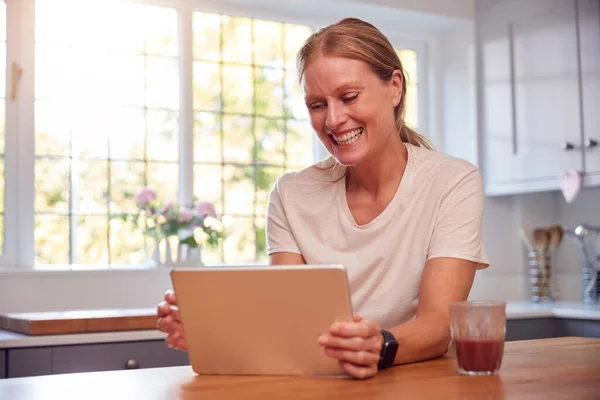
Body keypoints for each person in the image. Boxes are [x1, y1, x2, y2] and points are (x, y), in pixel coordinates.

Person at [157, 17, 488, 380]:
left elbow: (439, 324)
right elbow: (290, 326)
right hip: (321, 385)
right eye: (317, 105)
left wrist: (379, 346)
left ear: (394, 87)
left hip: (413, 385)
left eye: (349, 97)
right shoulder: (290, 194)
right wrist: (215, 336)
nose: (333, 119)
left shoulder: (453, 181)